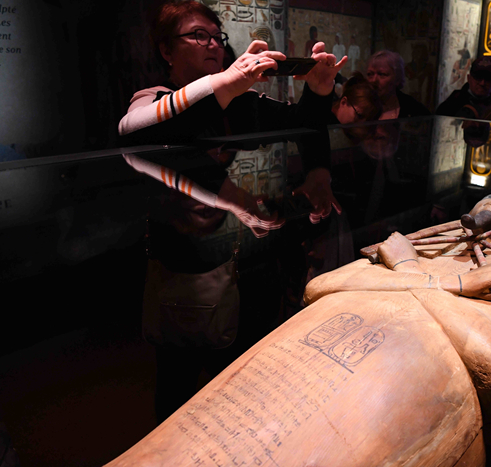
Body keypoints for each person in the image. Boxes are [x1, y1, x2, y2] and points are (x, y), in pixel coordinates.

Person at [105, 187, 491, 466]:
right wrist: (431, 278)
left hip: (395, 388)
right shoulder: (422, 249)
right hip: (305, 353)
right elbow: (319, 288)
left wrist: (408, 272)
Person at [118, 0, 345, 423]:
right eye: (197, 36)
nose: (213, 45)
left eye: (216, 37)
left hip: (244, 271)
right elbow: (133, 130)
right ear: (166, 50)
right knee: (178, 394)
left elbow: (302, 123)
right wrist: (226, 81)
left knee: (244, 391)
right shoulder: (152, 97)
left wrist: (318, 90)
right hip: (187, 277)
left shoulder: (240, 104)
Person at [366, 50, 430, 120]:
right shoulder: (360, 105)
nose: (374, 80)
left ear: (397, 79)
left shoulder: (414, 109)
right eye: (370, 74)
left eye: (382, 74)